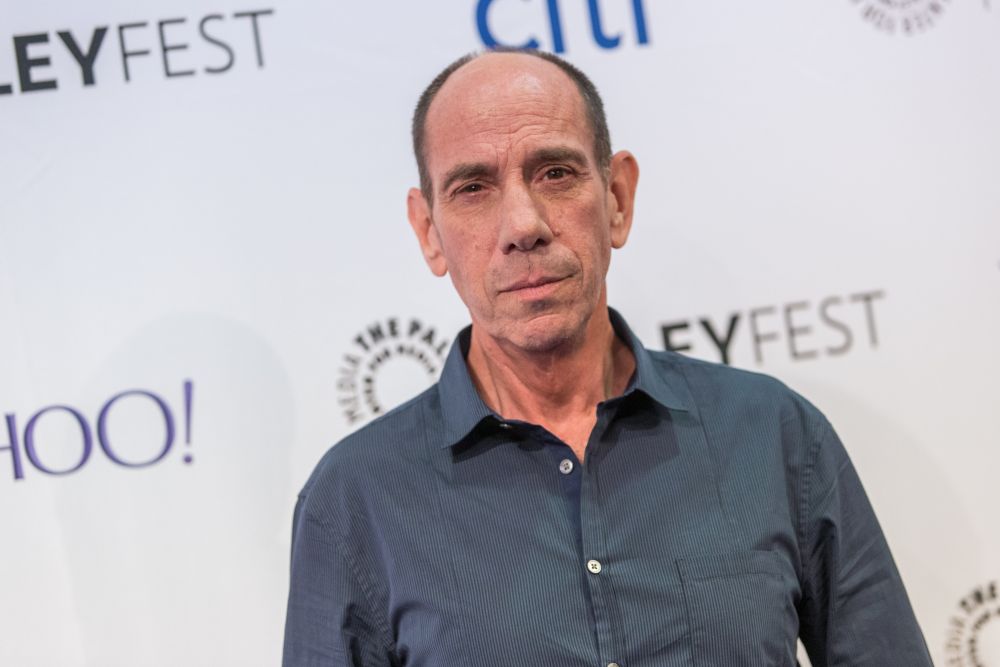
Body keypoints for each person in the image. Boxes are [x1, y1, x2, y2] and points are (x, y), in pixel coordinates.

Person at [283, 49, 933, 666]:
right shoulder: (354, 500)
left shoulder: (774, 434)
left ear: (617, 197)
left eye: (555, 173)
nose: (523, 225)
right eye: (473, 187)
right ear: (429, 231)